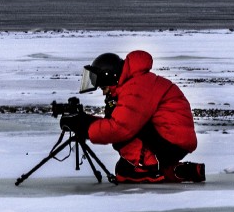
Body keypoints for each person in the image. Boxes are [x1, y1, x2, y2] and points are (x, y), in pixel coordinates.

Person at [64, 49, 202, 183]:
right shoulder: (135, 82)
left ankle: (149, 167)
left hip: (171, 142)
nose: (104, 93)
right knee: (123, 168)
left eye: (104, 88)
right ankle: (171, 169)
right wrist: (86, 121)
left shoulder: (137, 87)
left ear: (110, 76)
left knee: (124, 169)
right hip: (171, 138)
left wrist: (84, 126)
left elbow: (119, 128)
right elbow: (119, 122)